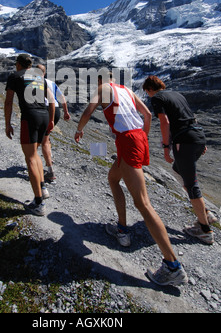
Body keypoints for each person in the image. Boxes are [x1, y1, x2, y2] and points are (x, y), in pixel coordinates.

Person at [75, 75, 188, 287]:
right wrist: (141, 137)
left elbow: (88, 111)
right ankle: (122, 229)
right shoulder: (126, 90)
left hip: (128, 139)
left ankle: (173, 266)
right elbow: (146, 114)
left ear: (101, 80)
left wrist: (79, 129)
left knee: (142, 203)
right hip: (136, 138)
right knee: (113, 178)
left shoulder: (102, 89)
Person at [143, 75, 215, 245]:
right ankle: (206, 213)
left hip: (184, 140)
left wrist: (166, 147)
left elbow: (164, 122)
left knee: (191, 184)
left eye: (147, 92)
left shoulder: (157, 98)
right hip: (197, 135)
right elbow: (189, 116)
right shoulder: (177, 95)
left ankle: (204, 230)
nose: (148, 95)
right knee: (177, 170)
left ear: (149, 89)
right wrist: (199, 141)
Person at [4, 55, 55, 216]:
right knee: (35, 154)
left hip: (30, 117)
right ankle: (43, 188)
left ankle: (39, 203)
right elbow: (51, 100)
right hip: (44, 115)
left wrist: (7, 124)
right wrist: (51, 120)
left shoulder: (15, 76)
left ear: (18, 65)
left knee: (30, 158)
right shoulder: (40, 77)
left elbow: (8, 101)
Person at [37, 63, 71, 183]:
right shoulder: (51, 83)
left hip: (43, 110)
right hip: (55, 111)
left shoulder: (33, 82)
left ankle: (37, 166)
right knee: (46, 138)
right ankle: (49, 168)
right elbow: (62, 99)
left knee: (39, 140)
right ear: (44, 73)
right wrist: (66, 112)